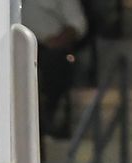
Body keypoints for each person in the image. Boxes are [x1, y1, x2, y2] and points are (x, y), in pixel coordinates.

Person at [22, 0, 88, 138]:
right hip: (10, 50)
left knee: (56, 63)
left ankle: (49, 114)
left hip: (49, 48)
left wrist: (59, 41)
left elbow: (77, 23)